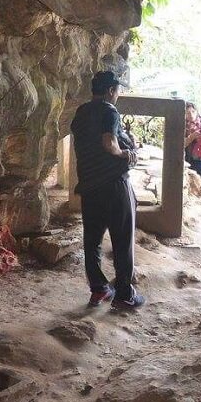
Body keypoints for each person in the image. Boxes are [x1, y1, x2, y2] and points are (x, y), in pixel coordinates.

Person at [69, 71, 145, 310]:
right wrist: (126, 153)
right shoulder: (109, 111)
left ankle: (99, 288)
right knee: (122, 240)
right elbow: (108, 143)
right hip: (113, 185)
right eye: (117, 90)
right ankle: (124, 295)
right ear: (111, 90)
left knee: (92, 241)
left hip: (89, 186)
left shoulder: (81, 112)